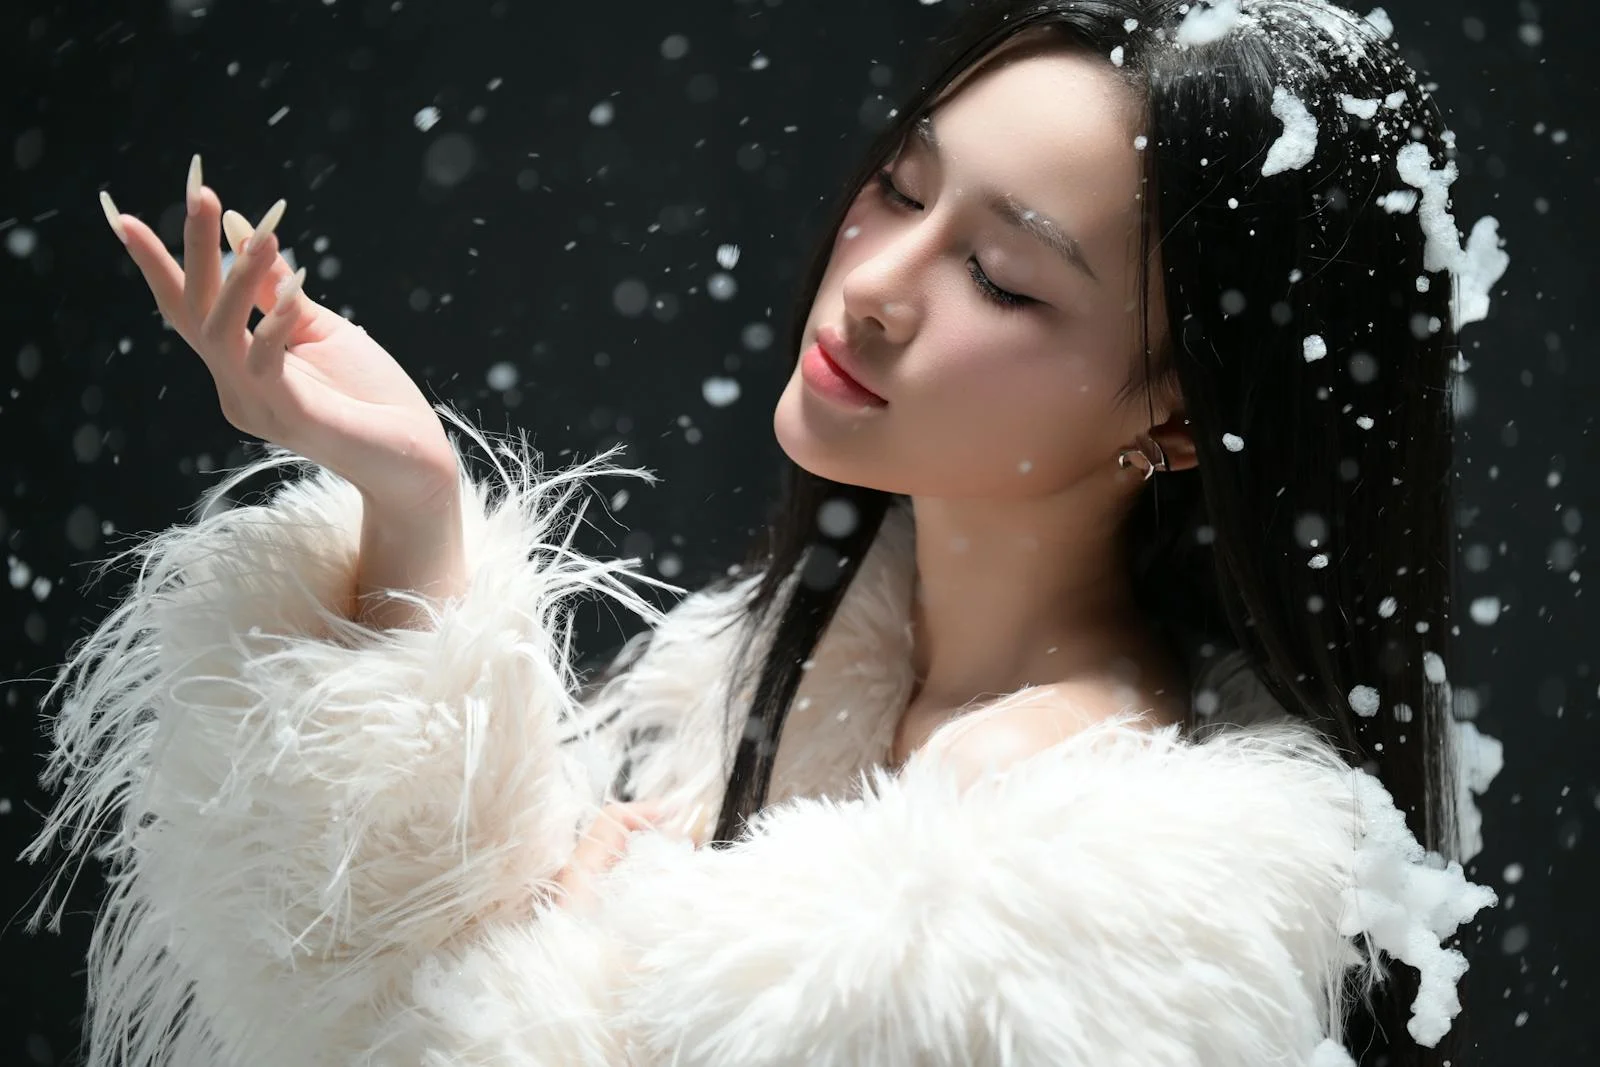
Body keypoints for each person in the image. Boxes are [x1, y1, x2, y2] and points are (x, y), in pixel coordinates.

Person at [24, 1, 1507, 1064]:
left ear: (1181, 417)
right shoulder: (782, 661)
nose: (875, 280)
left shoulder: (1033, 906)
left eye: (1000, 274)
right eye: (901, 186)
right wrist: (409, 503)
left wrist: (585, 946)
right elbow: (346, 997)